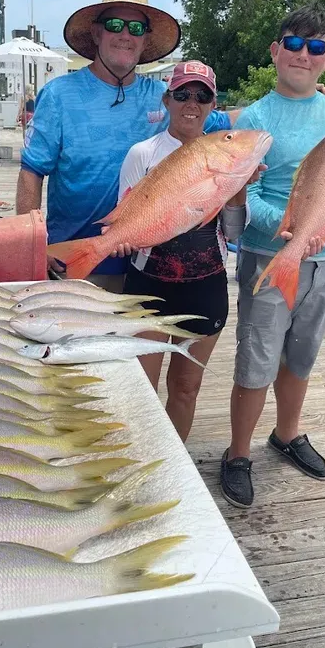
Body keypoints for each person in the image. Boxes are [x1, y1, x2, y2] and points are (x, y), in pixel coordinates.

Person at [220, 0, 325, 509]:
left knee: (301, 355)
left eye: (316, 47)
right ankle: (237, 454)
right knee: (256, 361)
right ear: (276, 51)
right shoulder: (255, 118)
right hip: (268, 256)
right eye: (295, 44)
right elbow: (245, 193)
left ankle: (287, 433)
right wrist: (284, 230)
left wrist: (323, 229)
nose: (304, 54)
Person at [15, 0, 233, 291]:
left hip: (146, 265)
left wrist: (307, 94)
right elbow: (30, 173)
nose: (125, 35)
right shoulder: (59, 94)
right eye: (115, 25)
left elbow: (224, 124)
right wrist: (32, 244)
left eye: (136, 28)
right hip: (72, 264)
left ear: (145, 40)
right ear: (97, 32)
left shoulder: (169, 98)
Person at [115, 61, 262, 441]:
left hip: (206, 287)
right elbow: (124, 226)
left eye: (202, 95)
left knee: (186, 388)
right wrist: (125, 238)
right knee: (142, 389)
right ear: (167, 99)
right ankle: (141, 465)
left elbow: (231, 232)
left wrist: (239, 188)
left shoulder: (226, 154)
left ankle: (174, 465)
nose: (191, 103)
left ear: (213, 103)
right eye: (182, 94)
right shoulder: (142, 154)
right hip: (147, 286)